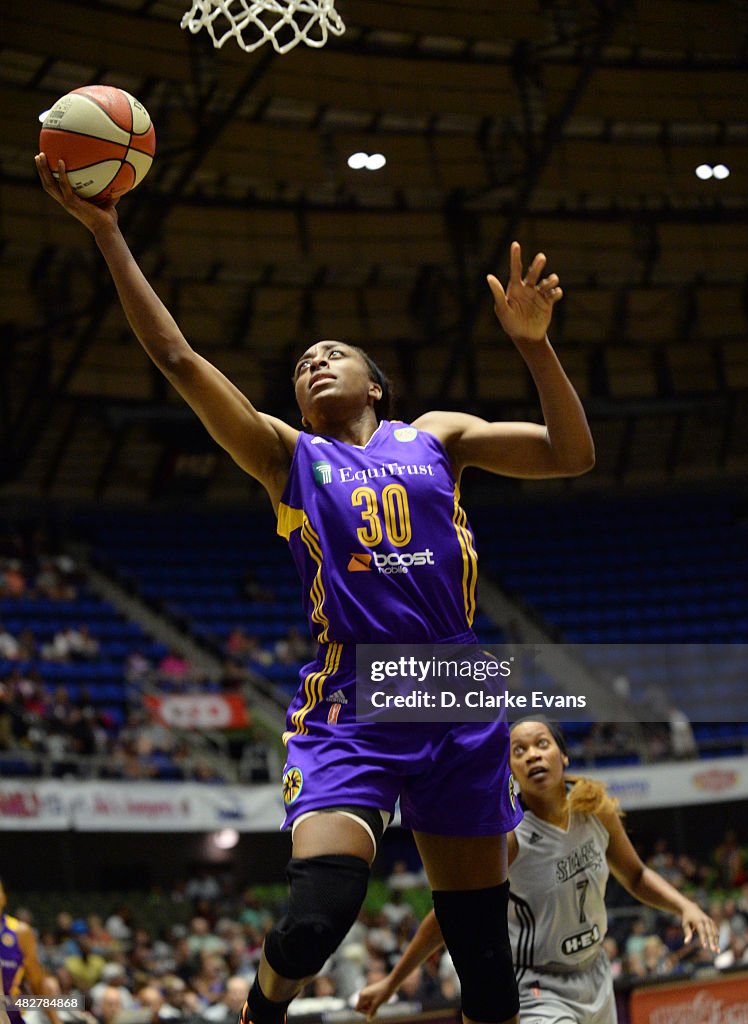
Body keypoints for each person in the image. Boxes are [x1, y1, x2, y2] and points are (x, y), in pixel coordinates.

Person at [36, 151, 596, 1024]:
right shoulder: (288, 457)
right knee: (315, 919)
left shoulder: (437, 435)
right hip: (356, 694)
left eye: (335, 355)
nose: (316, 363)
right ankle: (265, 1014)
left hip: (457, 686)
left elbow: (572, 455)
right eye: (303, 363)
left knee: (486, 964)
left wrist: (537, 348)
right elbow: (180, 359)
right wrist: (107, 232)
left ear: (377, 385)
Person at [356, 717, 720, 1024]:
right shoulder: (511, 840)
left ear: (562, 755)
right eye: (519, 751)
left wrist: (685, 906)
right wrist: (392, 982)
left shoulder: (596, 809)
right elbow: (452, 913)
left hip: (596, 973)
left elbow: (637, 876)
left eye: (541, 744)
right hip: (537, 986)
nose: (532, 755)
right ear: (510, 770)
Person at [0, 880, 63, 1024]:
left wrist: (56, 1021)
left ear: (4, 898)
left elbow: (37, 983)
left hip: (10, 1013)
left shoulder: (20, 932)